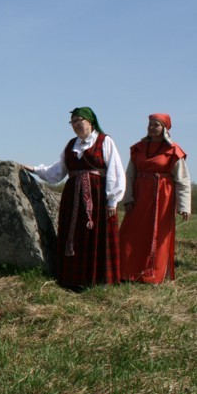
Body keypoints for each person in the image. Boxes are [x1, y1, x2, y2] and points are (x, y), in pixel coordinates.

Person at [24, 107, 125, 290]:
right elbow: (57, 171)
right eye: (73, 122)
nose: (76, 124)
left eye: (80, 120)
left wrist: (112, 200)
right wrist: (35, 169)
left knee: (97, 235)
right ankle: (74, 280)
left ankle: (100, 281)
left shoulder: (104, 141)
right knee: (75, 236)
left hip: (98, 197)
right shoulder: (72, 144)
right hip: (73, 198)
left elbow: (115, 171)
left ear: (90, 121)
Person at [119, 113, 191, 283]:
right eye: (150, 124)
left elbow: (183, 180)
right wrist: (128, 198)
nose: (151, 127)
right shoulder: (139, 148)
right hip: (139, 196)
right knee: (131, 232)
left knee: (158, 235)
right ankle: (125, 271)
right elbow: (129, 175)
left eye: (156, 125)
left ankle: (152, 274)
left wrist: (184, 205)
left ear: (164, 128)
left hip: (163, 198)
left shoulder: (173, 150)